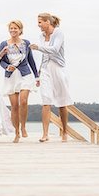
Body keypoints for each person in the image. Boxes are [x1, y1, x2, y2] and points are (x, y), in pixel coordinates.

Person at [30, 13, 73, 142]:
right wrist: (38, 73)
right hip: (45, 69)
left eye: (40, 22)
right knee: (46, 100)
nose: (38, 25)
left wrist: (38, 47)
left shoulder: (58, 33)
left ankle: (65, 132)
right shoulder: (41, 35)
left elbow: (54, 49)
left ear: (47, 22)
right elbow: (44, 55)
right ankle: (45, 134)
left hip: (58, 68)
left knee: (62, 101)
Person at [0, 20, 40, 143]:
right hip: (11, 76)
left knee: (23, 102)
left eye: (15, 28)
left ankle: (23, 127)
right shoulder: (4, 44)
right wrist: (7, 67)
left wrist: (37, 76)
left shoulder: (26, 43)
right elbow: (1, 60)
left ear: (20, 30)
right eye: (11, 28)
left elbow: (31, 60)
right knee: (14, 106)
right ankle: (16, 132)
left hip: (25, 75)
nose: (13, 30)